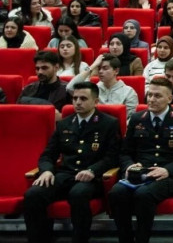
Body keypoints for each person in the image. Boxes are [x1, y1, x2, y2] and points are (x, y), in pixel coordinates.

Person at [23, 81, 119, 243]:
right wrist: (46, 170)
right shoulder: (64, 124)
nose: (78, 102)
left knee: (78, 193)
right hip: (65, 174)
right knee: (33, 194)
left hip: (92, 177)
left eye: (83, 98)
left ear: (96, 102)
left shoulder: (108, 123)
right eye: (75, 99)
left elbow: (113, 156)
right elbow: (48, 155)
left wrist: (92, 170)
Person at [108, 77, 173, 243]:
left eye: (157, 96)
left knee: (144, 194)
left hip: (167, 176)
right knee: (116, 193)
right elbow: (125, 152)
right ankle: (125, 239)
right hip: (139, 173)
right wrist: (129, 165)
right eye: (149, 95)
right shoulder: (137, 118)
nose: (151, 99)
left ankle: (142, 239)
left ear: (170, 98)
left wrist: (168, 170)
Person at [68, 53, 139, 118]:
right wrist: (92, 66)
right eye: (99, 68)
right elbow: (70, 88)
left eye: (105, 68)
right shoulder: (92, 89)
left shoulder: (128, 92)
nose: (100, 71)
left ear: (116, 71)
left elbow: (131, 118)